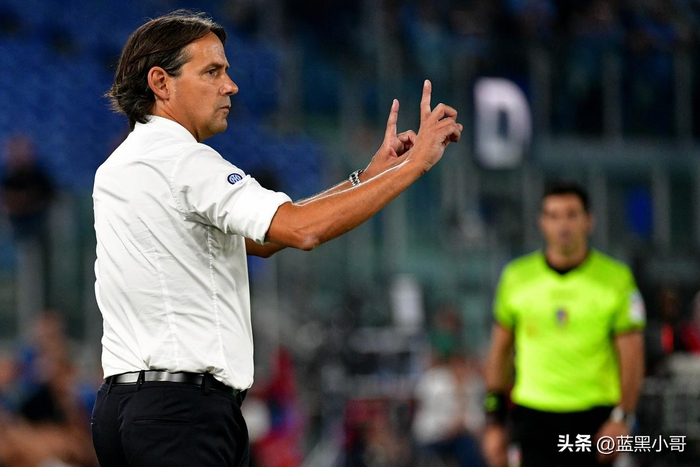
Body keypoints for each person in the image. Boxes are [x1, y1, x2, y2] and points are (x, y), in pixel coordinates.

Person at [90, 10, 462, 467]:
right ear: (161, 83)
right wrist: (415, 165)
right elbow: (301, 229)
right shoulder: (184, 161)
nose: (230, 86)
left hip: (122, 409)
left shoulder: (118, 167)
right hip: (181, 415)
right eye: (212, 71)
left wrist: (366, 178)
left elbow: (256, 239)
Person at [482, 182, 646, 467]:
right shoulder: (516, 278)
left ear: (588, 221)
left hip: (594, 416)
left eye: (571, 215)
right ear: (542, 222)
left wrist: (623, 417)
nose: (563, 225)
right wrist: (494, 421)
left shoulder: (616, 279)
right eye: (554, 215)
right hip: (533, 413)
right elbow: (500, 351)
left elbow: (632, 354)